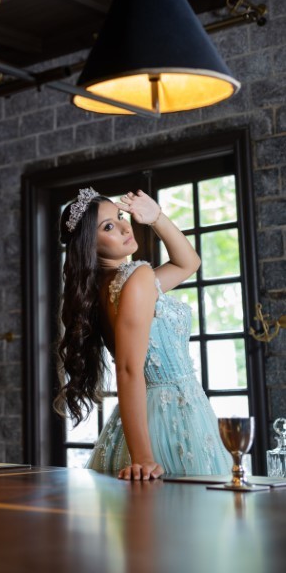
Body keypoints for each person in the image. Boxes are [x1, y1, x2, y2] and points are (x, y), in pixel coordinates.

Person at [54, 186, 231, 480]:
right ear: (89, 245)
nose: (125, 227)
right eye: (108, 226)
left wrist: (156, 217)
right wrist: (143, 458)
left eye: (121, 217)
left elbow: (188, 263)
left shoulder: (112, 286)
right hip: (170, 419)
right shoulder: (136, 278)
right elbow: (127, 370)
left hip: (154, 414)